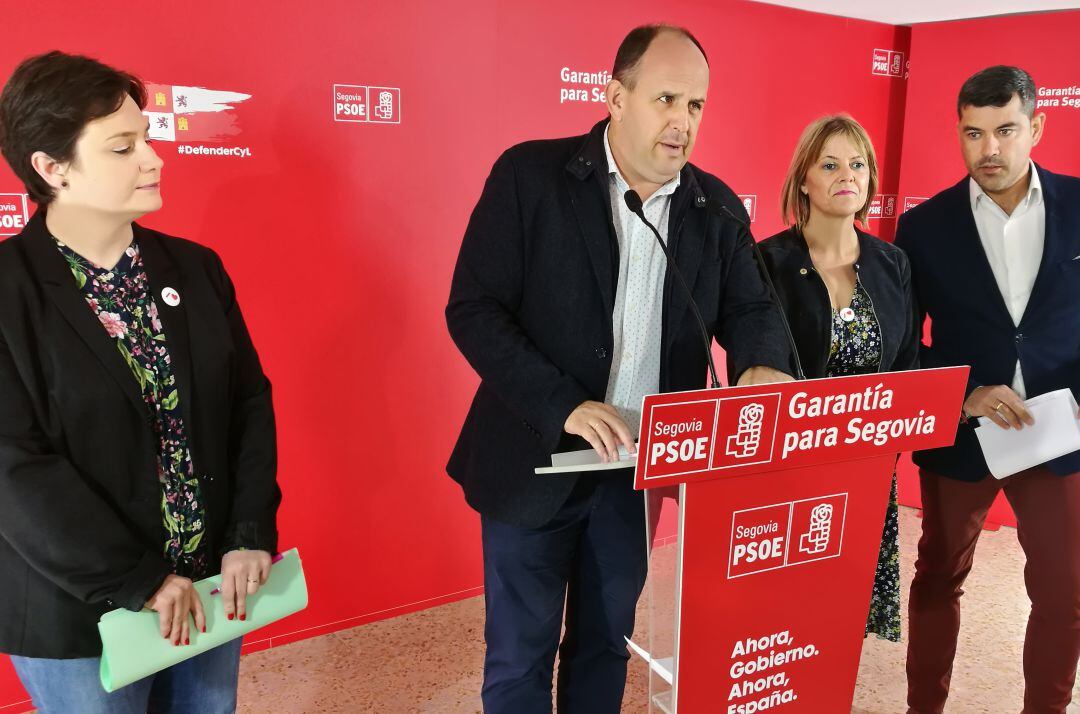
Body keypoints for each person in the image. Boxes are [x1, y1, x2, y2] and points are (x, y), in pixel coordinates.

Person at [445, 24, 792, 712]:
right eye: (667, 99)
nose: (682, 122)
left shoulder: (714, 206)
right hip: (533, 460)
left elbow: (755, 310)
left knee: (607, 642)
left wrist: (761, 366)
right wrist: (564, 404)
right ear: (614, 96)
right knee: (521, 653)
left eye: (696, 106)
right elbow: (475, 310)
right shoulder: (530, 176)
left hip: (635, 472)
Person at [0, 51, 280, 713]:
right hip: (80, 614)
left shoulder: (194, 268)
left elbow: (246, 403)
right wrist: (140, 579)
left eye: (147, 139)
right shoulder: (10, 292)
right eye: (123, 148)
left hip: (209, 589)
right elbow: (14, 467)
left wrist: (247, 535)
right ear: (51, 168)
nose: (153, 159)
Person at [895, 65, 1080, 714]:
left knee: (1065, 595)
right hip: (962, 439)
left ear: (1037, 126)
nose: (989, 150)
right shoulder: (924, 228)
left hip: (1058, 435)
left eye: (1005, 130)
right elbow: (901, 346)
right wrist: (964, 393)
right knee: (938, 580)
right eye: (973, 134)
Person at [757, 114, 919, 643]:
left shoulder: (891, 262)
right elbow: (754, 363)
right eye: (829, 164)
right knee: (781, 618)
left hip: (868, 469)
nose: (846, 175)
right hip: (789, 472)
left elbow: (907, 367)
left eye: (857, 164)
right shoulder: (768, 261)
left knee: (843, 617)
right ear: (804, 177)